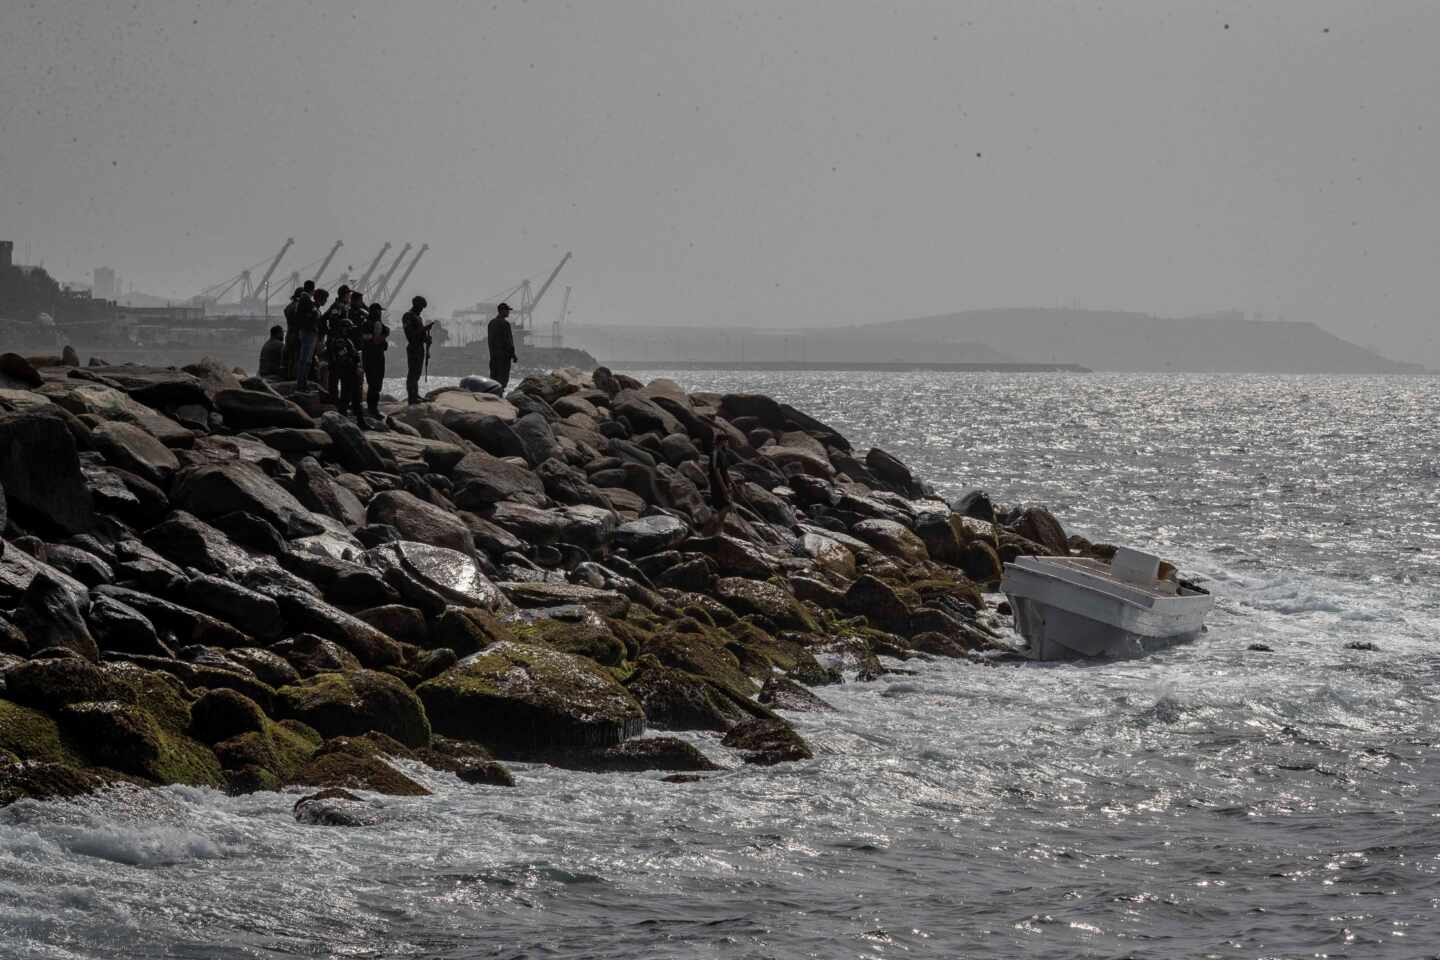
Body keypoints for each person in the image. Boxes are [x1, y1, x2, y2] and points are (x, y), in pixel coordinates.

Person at [327, 307, 367, 425]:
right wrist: (354, 363)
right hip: (347, 372)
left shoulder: (346, 340)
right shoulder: (340, 341)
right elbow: (343, 358)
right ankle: (345, 421)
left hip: (351, 372)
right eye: (349, 328)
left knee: (354, 398)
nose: (351, 330)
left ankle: (358, 421)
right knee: (347, 397)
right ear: (344, 329)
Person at [401, 295, 433, 404]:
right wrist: (424, 329)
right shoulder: (408, 316)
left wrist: (426, 339)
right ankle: (412, 397)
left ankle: (416, 394)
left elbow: (421, 335)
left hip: (420, 348)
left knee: (417, 373)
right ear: (415, 305)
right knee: (413, 373)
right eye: (420, 307)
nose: (421, 310)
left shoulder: (419, 318)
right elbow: (410, 334)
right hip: (413, 348)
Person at [294, 288, 328, 391]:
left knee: (307, 361)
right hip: (309, 336)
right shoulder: (311, 308)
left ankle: (303, 383)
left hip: (311, 337)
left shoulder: (314, 308)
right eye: (325, 299)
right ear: (320, 298)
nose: (326, 301)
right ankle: (301, 384)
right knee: (304, 361)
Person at [322, 285, 351, 397]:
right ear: (344, 295)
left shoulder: (342, 306)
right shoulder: (338, 307)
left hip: (339, 340)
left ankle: (337, 396)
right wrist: (331, 332)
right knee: (336, 369)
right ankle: (334, 397)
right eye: (348, 294)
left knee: (339, 369)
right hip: (336, 342)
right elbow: (328, 319)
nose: (350, 297)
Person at [362, 301, 389, 418]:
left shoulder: (373, 324)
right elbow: (372, 339)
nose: (380, 314)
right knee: (374, 383)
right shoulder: (369, 324)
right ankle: (372, 409)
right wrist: (379, 338)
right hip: (373, 357)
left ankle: (373, 408)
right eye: (379, 311)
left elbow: (384, 332)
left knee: (376, 383)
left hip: (375, 356)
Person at [706, 429, 734, 534]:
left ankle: (718, 526)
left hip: (723, 483)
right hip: (717, 484)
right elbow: (716, 472)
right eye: (726, 441)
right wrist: (724, 488)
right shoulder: (715, 453)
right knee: (723, 506)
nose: (727, 443)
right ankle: (716, 527)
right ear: (721, 441)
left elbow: (725, 470)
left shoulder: (723, 453)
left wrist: (731, 483)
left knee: (726, 505)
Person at [487, 302, 518, 392]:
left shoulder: (491, 323)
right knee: (502, 379)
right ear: (502, 311)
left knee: (494, 378)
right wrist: (513, 355)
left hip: (493, 357)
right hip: (504, 358)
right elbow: (508, 341)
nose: (509, 312)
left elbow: (490, 341)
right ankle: (499, 398)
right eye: (507, 310)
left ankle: (492, 396)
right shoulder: (505, 324)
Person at [282, 287, 304, 378]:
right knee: (297, 358)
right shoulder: (298, 307)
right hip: (297, 335)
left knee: (290, 359)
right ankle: (296, 378)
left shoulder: (288, 307)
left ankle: (290, 377)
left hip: (289, 334)